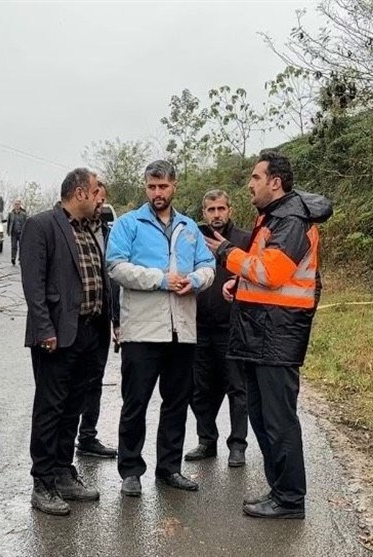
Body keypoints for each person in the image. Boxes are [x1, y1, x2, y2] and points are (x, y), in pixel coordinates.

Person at [206, 151, 332, 519]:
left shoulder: (291, 219)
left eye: (256, 177)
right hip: (259, 333)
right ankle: (280, 491)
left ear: (275, 182)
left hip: (277, 337)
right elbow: (262, 272)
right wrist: (239, 283)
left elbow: (274, 271)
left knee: (278, 421)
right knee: (262, 419)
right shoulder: (273, 217)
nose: (250, 183)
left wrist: (228, 254)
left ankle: (291, 499)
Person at [105, 160, 215, 497]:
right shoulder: (127, 224)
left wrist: (195, 281)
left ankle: (169, 468)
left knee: (176, 402)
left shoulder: (190, 228)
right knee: (135, 402)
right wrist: (160, 280)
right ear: (145, 187)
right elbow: (116, 266)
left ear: (174, 186)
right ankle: (131, 470)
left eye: (163, 186)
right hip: (142, 330)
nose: (157, 193)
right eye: (152, 187)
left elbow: (208, 265)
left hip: (182, 329)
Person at [20, 168, 111, 516]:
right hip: (56, 335)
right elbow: (34, 285)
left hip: (89, 331)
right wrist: (45, 330)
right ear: (79, 193)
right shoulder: (42, 225)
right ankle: (42, 481)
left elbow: (98, 279)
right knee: (50, 409)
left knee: (74, 405)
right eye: (95, 190)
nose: (100, 197)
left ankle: (62, 471)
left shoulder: (91, 228)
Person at [184, 190, 250, 467]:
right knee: (198, 389)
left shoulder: (245, 241)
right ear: (204, 212)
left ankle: (237, 446)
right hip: (199, 327)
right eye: (211, 210)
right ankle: (206, 440)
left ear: (230, 210)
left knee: (237, 389)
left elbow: (253, 276)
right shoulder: (194, 241)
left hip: (232, 328)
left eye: (221, 208)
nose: (216, 215)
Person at [75, 178, 118, 459]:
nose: (99, 205)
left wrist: (117, 321)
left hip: (101, 319)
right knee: (71, 384)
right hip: (76, 321)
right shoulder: (69, 231)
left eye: (102, 201)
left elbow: (112, 279)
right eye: (96, 199)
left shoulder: (108, 232)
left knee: (95, 379)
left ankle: (87, 435)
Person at [6, 199, 28, 265]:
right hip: (14, 232)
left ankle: (20, 259)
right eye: (15, 204)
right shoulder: (11, 214)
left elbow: (26, 223)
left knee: (21, 246)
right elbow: (9, 223)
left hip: (21, 232)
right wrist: (8, 231)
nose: (16, 206)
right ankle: (13, 258)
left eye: (18, 204)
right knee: (14, 246)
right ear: (13, 205)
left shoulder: (23, 214)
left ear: (20, 205)